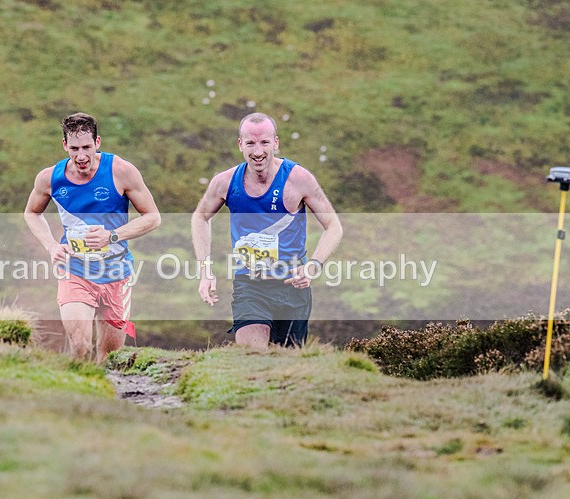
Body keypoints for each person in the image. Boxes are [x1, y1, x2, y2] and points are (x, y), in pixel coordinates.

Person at [192, 112, 343, 348]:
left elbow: (333, 226)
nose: (258, 151)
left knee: (287, 368)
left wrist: (313, 265)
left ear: (276, 143)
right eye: (251, 143)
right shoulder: (225, 182)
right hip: (250, 285)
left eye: (264, 142)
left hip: (293, 286)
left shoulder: (298, 179)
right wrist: (205, 270)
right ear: (241, 145)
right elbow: (200, 217)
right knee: (253, 355)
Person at [25, 112, 161, 364]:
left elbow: (153, 217)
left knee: (109, 357)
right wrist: (52, 246)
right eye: (74, 148)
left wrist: (111, 236)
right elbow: (32, 213)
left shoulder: (120, 171)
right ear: (64, 145)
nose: (81, 156)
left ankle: (100, 397)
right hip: (75, 270)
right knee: (80, 345)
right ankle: (72, 397)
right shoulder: (50, 178)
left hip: (116, 273)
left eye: (87, 147)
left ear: (97, 142)